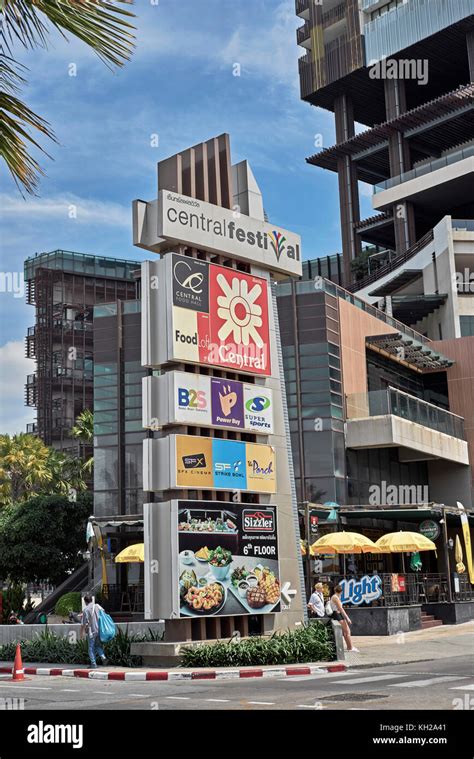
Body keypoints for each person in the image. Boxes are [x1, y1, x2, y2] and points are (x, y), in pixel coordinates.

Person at [80, 596, 108, 669]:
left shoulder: (86, 609)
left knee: (91, 648)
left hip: (91, 632)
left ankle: (93, 664)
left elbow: (83, 623)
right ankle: (103, 657)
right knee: (98, 645)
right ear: (92, 600)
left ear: (85, 602)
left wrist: (81, 633)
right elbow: (104, 613)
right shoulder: (97, 606)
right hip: (99, 630)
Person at [330, 585, 359, 653]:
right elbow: (341, 609)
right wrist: (347, 618)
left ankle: (349, 647)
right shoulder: (335, 597)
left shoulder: (335, 597)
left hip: (337, 614)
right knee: (347, 631)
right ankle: (350, 647)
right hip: (338, 615)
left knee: (346, 632)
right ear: (341, 591)